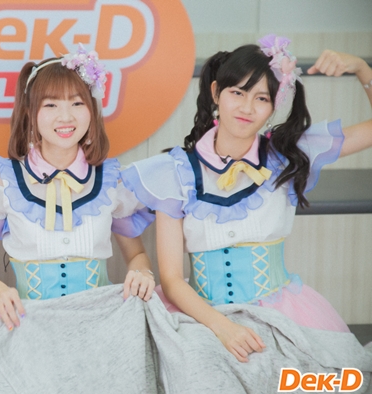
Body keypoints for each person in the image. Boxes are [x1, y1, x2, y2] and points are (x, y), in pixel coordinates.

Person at [121, 35, 372, 363]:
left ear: (273, 105)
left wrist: (362, 69)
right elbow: (170, 279)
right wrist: (223, 328)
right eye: (237, 93)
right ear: (216, 93)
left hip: (283, 314)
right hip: (202, 318)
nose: (247, 107)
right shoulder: (176, 173)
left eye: (261, 98)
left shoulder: (288, 155)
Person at [0, 45, 156, 330]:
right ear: (30, 112)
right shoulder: (4, 183)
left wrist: (142, 273)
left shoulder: (112, 182)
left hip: (99, 319)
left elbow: (136, 256)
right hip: (29, 321)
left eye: (77, 103)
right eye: (51, 105)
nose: (66, 117)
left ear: (92, 109)